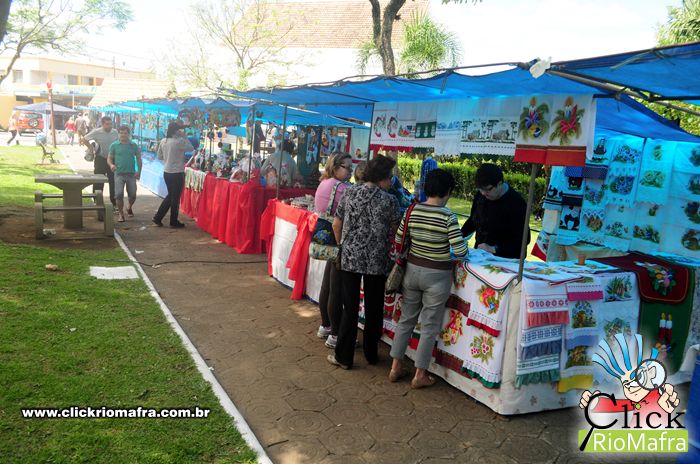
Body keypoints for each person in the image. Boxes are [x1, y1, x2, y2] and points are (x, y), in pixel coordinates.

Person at [389, 169, 468, 388]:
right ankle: (420, 374)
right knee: (430, 325)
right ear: (448, 191)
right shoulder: (448, 216)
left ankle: (395, 366)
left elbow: (399, 238)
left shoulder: (412, 210)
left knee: (406, 319)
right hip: (438, 276)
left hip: (412, 271)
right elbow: (460, 252)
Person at [328, 155, 401, 370]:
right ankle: (371, 354)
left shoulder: (350, 192)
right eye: (390, 177)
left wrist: (342, 245)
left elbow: (336, 224)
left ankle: (344, 356)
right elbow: (398, 231)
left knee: (349, 308)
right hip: (377, 260)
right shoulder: (390, 201)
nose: (391, 181)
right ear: (382, 177)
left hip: (350, 258)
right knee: (374, 308)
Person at [314, 153, 353, 348]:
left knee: (327, 285)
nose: (351, 171)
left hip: (324, 235)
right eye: (347, 167)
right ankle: (336, 335)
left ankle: (326, 325)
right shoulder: (342, 188)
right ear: (336, 167)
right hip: (337, 236)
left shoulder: (324, 183)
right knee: (335, 288)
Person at [461, 163, 529, 259]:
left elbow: (524, 239)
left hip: (505, 260)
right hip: (480, 256)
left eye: (488, 189)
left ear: (499, 184)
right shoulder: (480, 195)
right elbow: (474, 219)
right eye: (480, 189)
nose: (483, 193)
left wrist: (494, 249)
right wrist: (459, 235)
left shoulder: (516, 203)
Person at [153, 121, 195, 228]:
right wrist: (184, 136)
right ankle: (172, 221)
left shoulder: (163, 141)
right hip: (177, 173)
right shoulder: (179, 141)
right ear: (176, 131)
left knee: (171, 196)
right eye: (179, 129)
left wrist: (169, 158)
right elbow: (191, 148)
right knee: (175, 198)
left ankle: (158, 217)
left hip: (167, 172)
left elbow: (159, 157)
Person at [107, 126, 142, 223]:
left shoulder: (133, 145)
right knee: (118, 194)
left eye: (125, 133)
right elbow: (109, 158)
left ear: (128, 134)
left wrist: (139, 171)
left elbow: (138, 159)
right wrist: (111, 165)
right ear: (118, 134)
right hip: (119, 174)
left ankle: (129, 207)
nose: (123, 135)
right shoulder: (114, 145)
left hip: (131, 174)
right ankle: (121, 214)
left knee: (133, 195)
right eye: (121, 133)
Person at [84, 116, 118, 209]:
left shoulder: (115, 132)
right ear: (102, 124)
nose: (109, 126)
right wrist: (91, 148)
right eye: (107, 124)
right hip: (101, 159)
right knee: (98, 180)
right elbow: (85, 139)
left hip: (112, 160)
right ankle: (97, 200)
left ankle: (114, 202)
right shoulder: (97, 132)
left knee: (113, 181)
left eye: (110, 124)